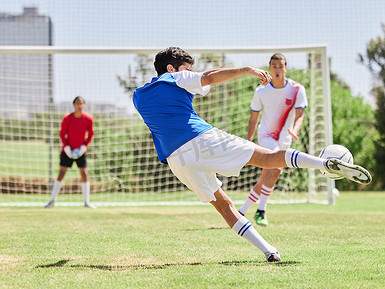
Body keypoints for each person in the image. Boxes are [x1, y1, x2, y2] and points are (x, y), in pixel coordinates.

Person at [133, 47, 371, 262]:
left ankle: (270, 251)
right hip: (200, 139)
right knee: (269, 158)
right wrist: (246, 70)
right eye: (187, 68)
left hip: (177, 160)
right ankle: (324, 164)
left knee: (224, 206)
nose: (190, 72)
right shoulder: (176, 77)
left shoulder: (138, 96)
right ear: (171, 68)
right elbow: (208, 78)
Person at [238, 53, 307, 226]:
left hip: (284, 139)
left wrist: (294, 130)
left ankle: (241, 212)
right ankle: (261, 211)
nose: (277, 69)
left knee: (267, 176)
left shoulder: (297, 89)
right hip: (266, 136)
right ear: (269, 68)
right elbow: (253, 118)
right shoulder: (261, 90)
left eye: (280, 66)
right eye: (274, 66)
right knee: (275, 169)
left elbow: (300, 116)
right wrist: (249, 141)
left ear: (285, 68)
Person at [45, 96, 95, 208]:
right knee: (61, 173)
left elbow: (91, 134)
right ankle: (52, 200)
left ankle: (87, 202)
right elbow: (62, 134)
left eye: (82, 103)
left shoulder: (88, 119)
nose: (80, 105)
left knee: (84, 174)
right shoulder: (67, 118)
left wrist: (83, 147)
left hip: (80, 151)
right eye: (78, 103)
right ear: (74, 105)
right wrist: (67, 148)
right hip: (67, 151)